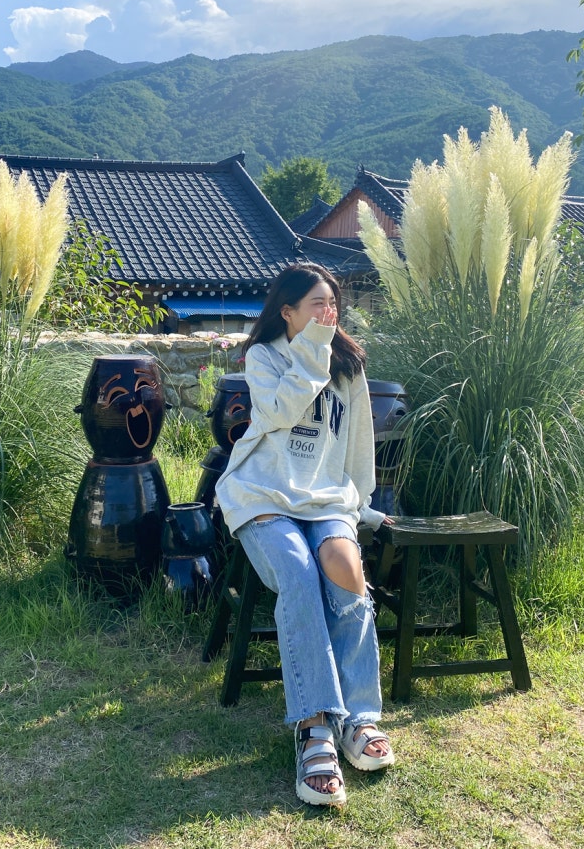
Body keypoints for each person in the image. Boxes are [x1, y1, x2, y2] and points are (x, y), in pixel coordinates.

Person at [215, 262, 395, 807]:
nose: (328, 311)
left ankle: (359, 718)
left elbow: (357, 444)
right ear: (287, 311)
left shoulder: (348, 365)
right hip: (264, 494)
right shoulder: (264, 357)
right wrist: (313, 347)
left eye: (332, 302)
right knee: (296, 571)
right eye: (317, 303)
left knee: (344, 567)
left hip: (325, 498)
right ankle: (315, 725)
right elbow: (280, 411)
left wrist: (362, 508)